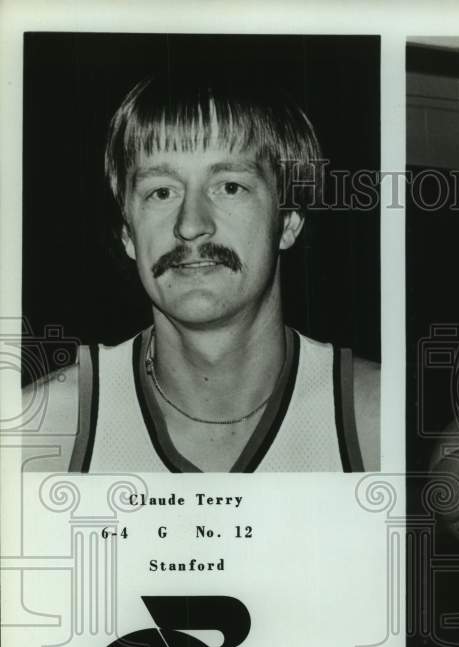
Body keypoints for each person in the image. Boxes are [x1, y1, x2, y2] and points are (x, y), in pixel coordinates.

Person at [22, 71, 378, 473]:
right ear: (128, 235)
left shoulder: (374, 424)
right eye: (161, 192)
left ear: (288, 220)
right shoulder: (43, 433)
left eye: (229, 187)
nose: (190, 225)